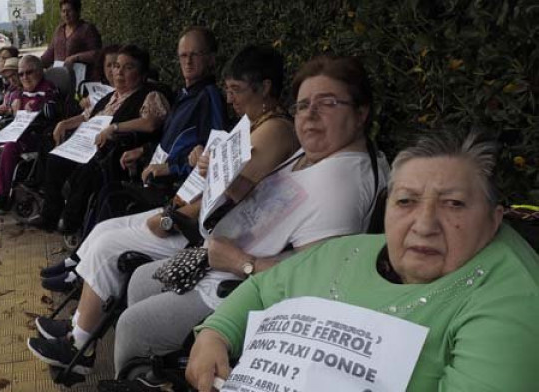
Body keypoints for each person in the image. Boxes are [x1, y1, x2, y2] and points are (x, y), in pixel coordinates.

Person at [97, 54, 389, 390]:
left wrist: (240, 262)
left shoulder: (342, 187)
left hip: (238, 286)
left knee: (133, 325)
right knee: (139, 280)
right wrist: (220, 175)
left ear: (361, 112)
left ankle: (143, 374)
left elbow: (314, 285)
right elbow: (271, 201)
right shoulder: (316, 152)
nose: (309, 115)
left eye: (327, 104)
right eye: (304, 104)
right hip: (219, 257)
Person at [186, 130, 539, 392]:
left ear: (494, 219)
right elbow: (264, 288)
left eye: (454, 204)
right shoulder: (349, 251)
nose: (425, 224)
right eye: (406, 202)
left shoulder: (508, 298)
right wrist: (215, 334)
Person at [28, 45, 299, 377]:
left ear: (266, 87)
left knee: (108, 244)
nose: (230, 99)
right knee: (105, 228)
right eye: (228, 90)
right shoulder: (254, 122)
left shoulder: (275, 130)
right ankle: (77, 324)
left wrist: (174, 215)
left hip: (201, 228)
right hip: (191, 209)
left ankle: (79, 344)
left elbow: (231, 197)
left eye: (237, 90)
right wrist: (198, 165)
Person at [38, 44, 170, 233]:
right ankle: (50, 215)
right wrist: (65, 124)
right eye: (116, 66)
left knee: (88, 168)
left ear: (141, 74)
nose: (119, 72)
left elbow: (151, 122)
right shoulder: (110, 96)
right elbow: (86, 116)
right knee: (53, 156)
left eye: (128, 67)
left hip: (114, 152)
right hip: (86, 144)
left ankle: (70, 222)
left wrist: (115, 127)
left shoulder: (149, 95)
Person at [0, 55, 60, 211]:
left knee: (10, 148)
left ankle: (0, 196)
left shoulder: (47, 88)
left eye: (29, 72)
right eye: (21, 74)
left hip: (36, 134)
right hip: (16, 130)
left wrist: (38, 107)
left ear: (39, 71)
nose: (24, 77)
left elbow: (53, 111)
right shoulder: (21, 91)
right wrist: (13, 106)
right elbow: (13, 105)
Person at [40, 0, 102, 79]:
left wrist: (75, 58)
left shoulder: (87, 29)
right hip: (61, 77)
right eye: (63, 11)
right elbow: (50, 52)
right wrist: (36, 63)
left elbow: (97, 53)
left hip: (82, 77)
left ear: (78, 11)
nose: (66, 14)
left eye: (69, 11)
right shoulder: (59, 30)